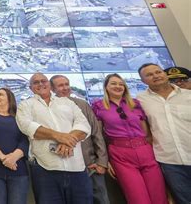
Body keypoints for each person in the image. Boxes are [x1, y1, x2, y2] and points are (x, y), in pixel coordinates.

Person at [16, 73, 92, 204]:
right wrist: (59, 136)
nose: (40, 84)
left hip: (76, 167)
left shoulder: (68, 102)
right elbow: (27, 126)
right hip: (45, 169)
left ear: (49, 85)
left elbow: (84, 125)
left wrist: (69, 141)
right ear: (30, 88)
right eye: (36, 82)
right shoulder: (25, 105)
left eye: (43, 81)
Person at [92, 73, 167, 204]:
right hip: (120, 155)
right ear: (106, 87)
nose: (118, 86)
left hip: (145, 151)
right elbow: (99, 136)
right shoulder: (98, 106)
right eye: (113, 83)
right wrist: (105, 160)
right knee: (137, 198)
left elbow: (146, 132)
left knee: (159, 196)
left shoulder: (135, 104)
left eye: (121, 84)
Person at [50, 75, 110, 204]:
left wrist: (102, 162)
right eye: (60, 85)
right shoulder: (48, 108)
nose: (65, 88)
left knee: (101, 199)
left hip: (91, 165)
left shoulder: (82, 104)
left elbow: (96, 133)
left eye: (67, 84)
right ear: (52, 89)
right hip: (66, 167)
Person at [137, 63, 191, 204]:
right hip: (169, 161)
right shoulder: (140, 101)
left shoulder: (188, 95)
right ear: (142, 81)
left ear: (164, 74)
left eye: (158, 72)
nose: (155, 76)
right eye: (149, 75)